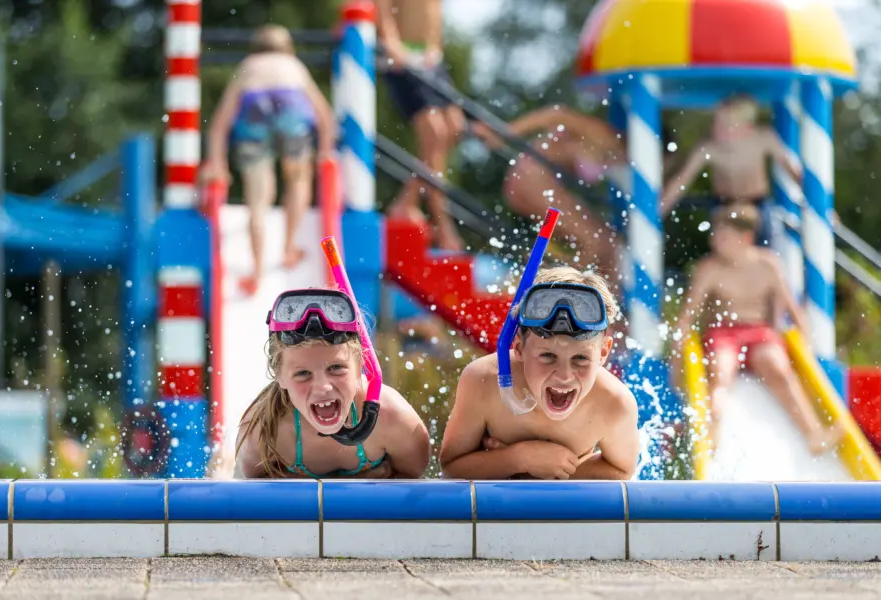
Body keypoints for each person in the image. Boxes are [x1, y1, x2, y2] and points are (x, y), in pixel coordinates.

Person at [670, 203, 842, 455]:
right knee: (720, 373)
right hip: (723, 333)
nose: (715, 241)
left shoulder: (768, 264)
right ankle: (711, 436)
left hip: (759, 333)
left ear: (746, 238)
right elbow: (688, 315)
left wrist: (806, 350)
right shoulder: (710, 269)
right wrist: (677, 350)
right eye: (715, 234)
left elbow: (793, 309)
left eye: (724, 237)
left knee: (778, 368)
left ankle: (813, 434)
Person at [439, 266, 640, 480]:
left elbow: (622, 471)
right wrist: (519, 459)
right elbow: (451, 468)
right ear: (519, 348)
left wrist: (544, 474)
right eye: (548, 356)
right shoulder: (484, 381)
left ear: (603, 352)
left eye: (580, 358)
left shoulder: (614, 404)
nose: (564, 376)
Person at [233, 288, 431, 478]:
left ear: (361, 364)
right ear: (279, 376)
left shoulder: (393, 419)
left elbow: (417, 492)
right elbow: (242, 496)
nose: (323, 387)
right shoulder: (263, 432)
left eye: (336, 368)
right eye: (303, 373)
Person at [202, 25, 337, 295]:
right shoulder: (293, 65)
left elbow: (219, 124)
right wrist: (325, 151)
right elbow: (325, 117)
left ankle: (257, 271)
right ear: (287, 47)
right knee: (298, 182)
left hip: (254, 113)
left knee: (258, 198)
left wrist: (217, 162)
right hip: (291, 110)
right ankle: (289, 247)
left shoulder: (248, 66)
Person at [473, 105, 679, 280]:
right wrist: (505, 133)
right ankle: (549, 287)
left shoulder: (621, 160)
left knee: (610, 245)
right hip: (530, 178)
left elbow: (658, 203)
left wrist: (693, 164)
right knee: (594, 243)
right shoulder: (603, 135)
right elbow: (556, 114)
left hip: (542, 183)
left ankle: (607, 307)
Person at [377, 0, 466, 252]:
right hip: (402, 54)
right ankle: (443, 223)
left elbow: (432, 11)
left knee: (455, 126)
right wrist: (391, 42)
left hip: (430, 57)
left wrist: (435, 46)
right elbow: (383, 10)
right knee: (435, 133)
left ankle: (407, 200)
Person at [660, 94, 803, 242]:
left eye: (725, 125)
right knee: (726, 247)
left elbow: (794, 172)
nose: (716, 129)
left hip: (757, 204)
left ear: (747, 127)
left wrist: (812, 200)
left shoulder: (763, 139)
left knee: (765, 244)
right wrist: (659, 209)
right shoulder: (709, 147)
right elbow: (680, 182)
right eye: (716, 122)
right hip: (724, 205)